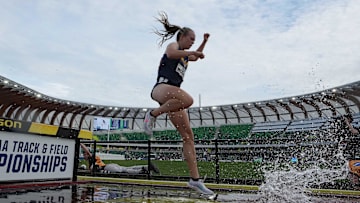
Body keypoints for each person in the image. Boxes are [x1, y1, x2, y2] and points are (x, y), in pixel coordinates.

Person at [143, 12, 214, 195]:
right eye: (191, 39)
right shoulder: (174, 46)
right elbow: (171, 53)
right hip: (161, 88)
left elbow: (196, 57)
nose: (192, 42)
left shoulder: (186, 56)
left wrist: (204, 42)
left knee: (188, 136)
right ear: (182, 37)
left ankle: (195, 180)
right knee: (188, 100)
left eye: (194, 40)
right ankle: (152, 115)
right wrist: (193, 51)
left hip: (173, 98)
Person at [80, 143, 159, 174]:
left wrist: (80, 142)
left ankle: (142, 171)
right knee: (127, 168)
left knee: (125, 171)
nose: (84, 156)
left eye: (84, 154)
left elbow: (86, 150)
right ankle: (146, 167)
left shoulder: (92, 158)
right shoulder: (92, 161)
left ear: (87, 154)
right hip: (110, 166)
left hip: (108, 167)